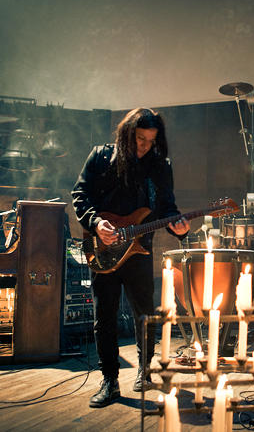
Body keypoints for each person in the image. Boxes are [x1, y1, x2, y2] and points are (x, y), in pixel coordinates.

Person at [71, 107, 189, 408]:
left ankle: (145, 370)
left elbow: (167, 207)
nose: (144, 146)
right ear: (126, 134)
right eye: (139, 139)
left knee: (144, 314)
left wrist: (178, 225)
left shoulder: (160, 165)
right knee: (104, 318)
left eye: (150, 140)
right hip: (104, 249)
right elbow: (80, 195)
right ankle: (109, 380)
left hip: (139, 250)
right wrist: (96, 223)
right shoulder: (100, 157)